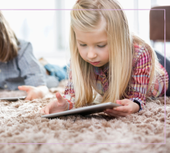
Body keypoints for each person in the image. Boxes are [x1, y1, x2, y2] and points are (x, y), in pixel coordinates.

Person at [41, 0, 170, 117]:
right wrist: (65, 104)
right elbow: (72, 95)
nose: (91, 55)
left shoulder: (141, 53)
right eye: (83, 44)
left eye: (101, 45)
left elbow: (137, 97)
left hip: (161, 68)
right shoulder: (80, 59)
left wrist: (135, 105)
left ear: (119, 39)